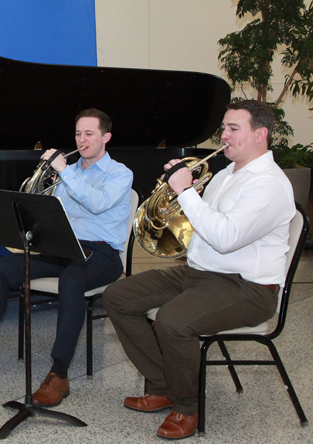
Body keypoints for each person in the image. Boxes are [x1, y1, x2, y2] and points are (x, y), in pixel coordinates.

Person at [103, 100, 295, 440]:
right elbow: (201, 227)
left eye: (234, 129)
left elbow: (225, 237)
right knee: (118, 295)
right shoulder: (225, 174)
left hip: (248, 288)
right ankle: (162, 384)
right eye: (224, 127)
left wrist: (186, 190)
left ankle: (187, 406)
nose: (224, 136)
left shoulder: (269, 184)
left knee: (173, 321)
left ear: (260, 134)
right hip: (201, 274)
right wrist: (180, 195)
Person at [0, 108, 133, 407]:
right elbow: (50, 212)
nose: (82, 139)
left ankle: (59, 374)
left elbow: (96, 204)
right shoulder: (72, 172)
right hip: (63, 247)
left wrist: (65, 172)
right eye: (78, 133)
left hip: (101, 253)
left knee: (71, 280)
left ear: (106, 137)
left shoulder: (120, 173)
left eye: (89, 134)